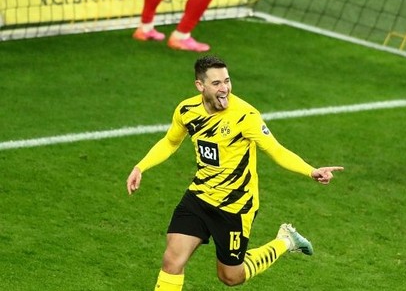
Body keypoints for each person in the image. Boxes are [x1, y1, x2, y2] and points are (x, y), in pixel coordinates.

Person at [126, 55, 344, 290]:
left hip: (235, 206)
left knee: (231, 277)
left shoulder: (245, 116)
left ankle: (286, 240)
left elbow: (276, 150)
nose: (225, 89)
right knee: (172, 261)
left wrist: (311, 171)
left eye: (227, 81)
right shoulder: (187, 110)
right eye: (217, 84)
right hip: (199, 196)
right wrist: (141, 166)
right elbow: (170, 142)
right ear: (200, 86)